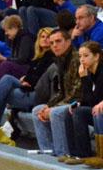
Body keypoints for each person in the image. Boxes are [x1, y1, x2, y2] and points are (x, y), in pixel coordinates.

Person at [0, 27, 54, 132]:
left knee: (4, 91)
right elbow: (31, 75)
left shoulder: (51, 57)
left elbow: (42, 79)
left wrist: (27, 79)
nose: (45, 39)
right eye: (42, 37)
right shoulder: (37, 57)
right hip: (29, 86)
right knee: (7, 80)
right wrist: (25, 79)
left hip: (37, 93)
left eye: (48, 37)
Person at [31, 28, 81, 156]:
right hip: (68, 101)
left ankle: (62, 154)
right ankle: (48, 153)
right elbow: (61, 91)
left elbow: (77, 92)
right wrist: (48, 106)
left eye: (58, 41)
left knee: (55, 113)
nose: (54, 45)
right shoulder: (60, 60)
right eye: (52, 43)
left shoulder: (76, 59)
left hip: (79, 103)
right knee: (38, 110)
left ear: (68, 41)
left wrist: (53, 109)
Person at [63, 42, 103, 164]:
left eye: (86, 56)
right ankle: (76, 154)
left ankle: (93, 155)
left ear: (96, 56)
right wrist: (79, 102)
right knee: (71, 111)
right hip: (96, 108)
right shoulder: (91, 73)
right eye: (80, 56)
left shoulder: (101, 72)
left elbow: (95, 100)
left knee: (93, 112)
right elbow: (89, 98)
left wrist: (84, 78)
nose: (82, 59)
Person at [0, 15, 34, 89]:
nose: (6, 33)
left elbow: (22, 59)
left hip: (28, 69)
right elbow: (14, 58)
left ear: (14, 28)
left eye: (7, 30)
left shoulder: (25, 38)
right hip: (21, 66)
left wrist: (5, 58)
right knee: (0, 63)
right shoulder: (16, 39)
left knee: (6, 64)